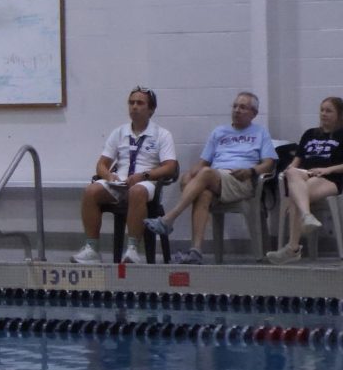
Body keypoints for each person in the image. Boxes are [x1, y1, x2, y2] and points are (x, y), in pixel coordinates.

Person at [145, 92, 277, 264]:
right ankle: (196, 252)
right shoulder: (219, 132)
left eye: (242, 107)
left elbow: (269, 164)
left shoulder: (260, 132)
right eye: (235, 106)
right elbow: (202, 163)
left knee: (206, 174)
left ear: (254, 113)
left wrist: (251, 171)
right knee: (203, 193)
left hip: (241, 180)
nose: (237, 110)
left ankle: (169, 219)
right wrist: (190, 175)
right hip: (215, 180)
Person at [72, 86, 178, 265]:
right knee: (91, 191)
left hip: (146, 183)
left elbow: (170, 167)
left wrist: (145, 175)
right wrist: (109, 176)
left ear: (151, 110)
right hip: (120, 183)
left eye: (140, 103)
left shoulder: (162, 134)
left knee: (136, 191)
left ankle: (132, 249)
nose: (134, 107)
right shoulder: (119, 132)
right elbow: (101, 164)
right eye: (131, 103)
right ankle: (92, 249)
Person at [266, 96, 343, 264]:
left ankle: (292, 248)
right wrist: (288, 169)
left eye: (329, 111)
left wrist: (327, 169)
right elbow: (297, 161)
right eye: (322, 110)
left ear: (339, 114)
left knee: (296, 194)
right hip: (305, 174)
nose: (323, 114)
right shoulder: (310, 134)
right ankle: (307, 216)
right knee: (292, 173)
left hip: (330, 177)